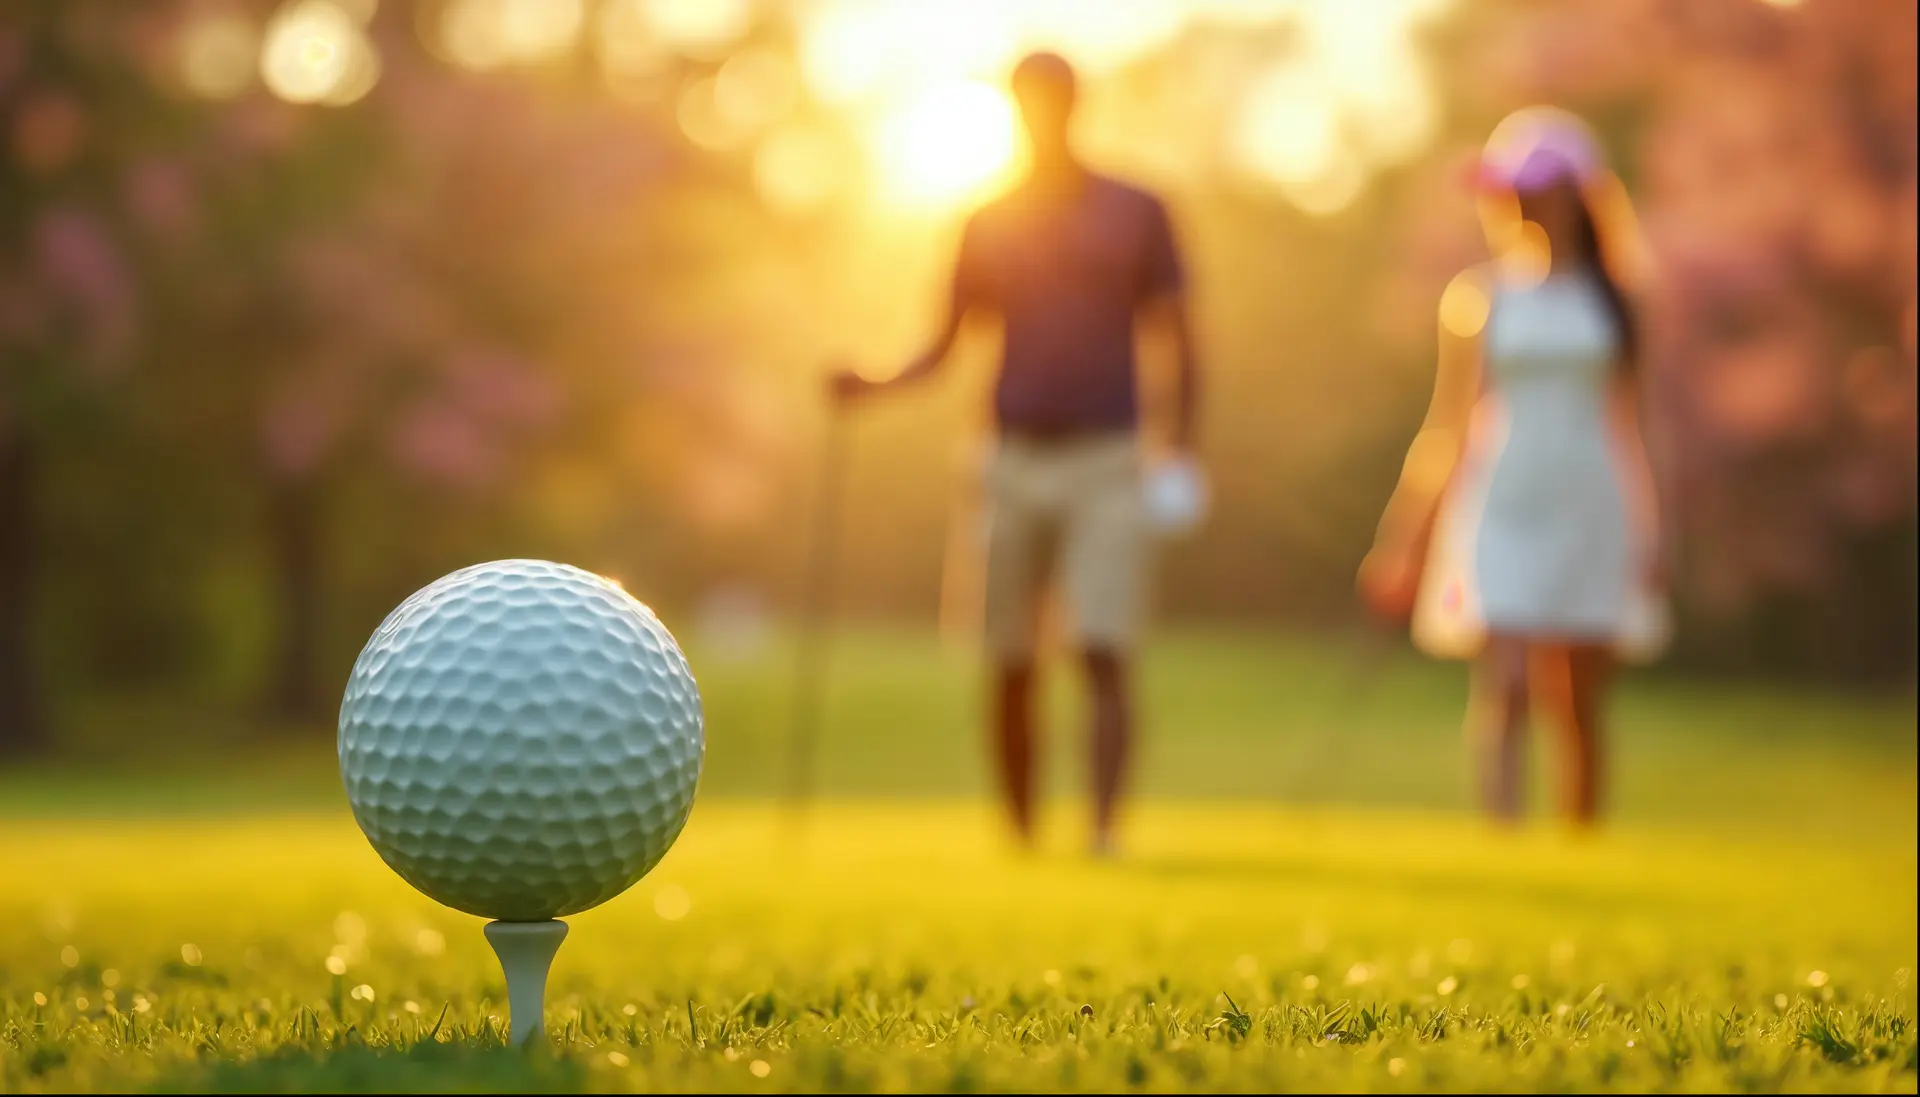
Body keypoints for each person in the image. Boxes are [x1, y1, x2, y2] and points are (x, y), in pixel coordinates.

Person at [829, 52, 1200, 856]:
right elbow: (943, 344)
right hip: (1010, 456)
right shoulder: (985, 218)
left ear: (1075, 105)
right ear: (1013, 109)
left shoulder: (1137, 210)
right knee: (1009, 654)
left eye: (1054, 101)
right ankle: (1022, 838)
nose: (1042, 114)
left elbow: (1178, 336)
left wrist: (1181, 450)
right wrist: (873, 382)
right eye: (1028, 102)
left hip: (1109, 453)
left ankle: (1103, 830)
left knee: (1103, 646)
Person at [1358, 107, 1668, 826]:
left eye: (1539, 190)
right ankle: (1504, 832)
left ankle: (1578, 835)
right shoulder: (1481, 296)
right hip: (1505, 495)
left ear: (1576, 195)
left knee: (1577, 691)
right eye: (1514, 192)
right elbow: (1451, 422)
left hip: (1590, 495)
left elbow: (1637, 423)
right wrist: (1407, 534)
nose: (1524, 205)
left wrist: (1656, 529)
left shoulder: (1615, 299)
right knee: (1505, 676)